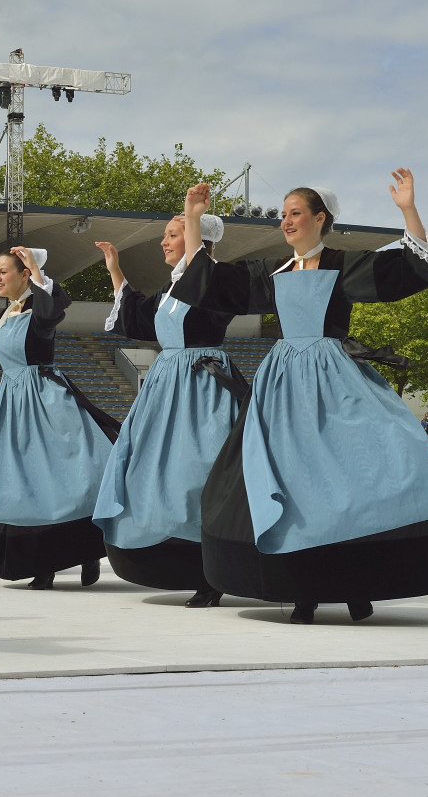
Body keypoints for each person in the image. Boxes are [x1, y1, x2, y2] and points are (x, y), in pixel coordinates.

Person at [174, 169, 428, 624]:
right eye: (283, 214)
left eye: (295, 213)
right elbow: (211, 283)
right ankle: (304, 590)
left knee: (346, 480)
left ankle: (354, 585)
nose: (285, 221)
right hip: (282, 388)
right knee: (291, 486)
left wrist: (407, 210)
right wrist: (194, 218)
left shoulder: (342, 264)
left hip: (333, 385)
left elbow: (406, 270)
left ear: (320, 218)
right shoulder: (275, 272)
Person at [0, 247, 120, 589]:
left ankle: (77, 554)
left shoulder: (38, 312)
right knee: (20, 483)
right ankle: (43, 560)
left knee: (56, 480)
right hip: (11, 405)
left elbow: (53, 308)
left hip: (45, 403)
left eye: (4, 271)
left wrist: (38, 272)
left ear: (25, 274)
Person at [92, 214, 241, 607]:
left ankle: (213, 571)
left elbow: (204, 290)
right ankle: (181, 563)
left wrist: (192, 217)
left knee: (197, 471)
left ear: (197, 239)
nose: (163, 241)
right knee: (152, 471)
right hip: (167, 383)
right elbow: (140, 318)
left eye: (172, 235)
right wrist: (115, 271)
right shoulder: (172, 286)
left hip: (201, 386)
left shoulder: (213, 278)